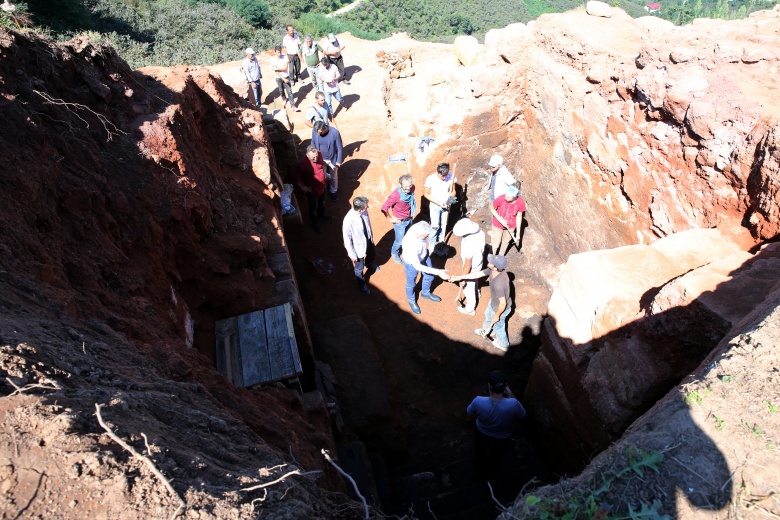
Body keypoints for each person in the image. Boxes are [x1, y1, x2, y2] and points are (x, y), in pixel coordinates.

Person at [466, 371, 526, 482]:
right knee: (497, 455)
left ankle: (480, 471)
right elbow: (522, 415)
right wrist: (510, 392)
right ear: (505, 387)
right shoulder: (513, 404)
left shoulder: (478, 401)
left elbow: (470, 412)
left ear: (489, 386)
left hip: (482, 431)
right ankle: (493, 472)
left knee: (480, 452)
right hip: (503, 436)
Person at [454, 254, 512, 350]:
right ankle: (488, 331)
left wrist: (497, 315)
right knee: (488, 315)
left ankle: (504, 344)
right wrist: (460, 277)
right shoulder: (493, 271)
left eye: (491, 262)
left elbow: (503, 303)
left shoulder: (499, 283)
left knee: (499, 326)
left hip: (500, 308)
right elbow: (478, 274)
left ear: (495, 267)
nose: (488, 261)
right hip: (494, 302)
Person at [401, 221, 449, 315]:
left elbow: (425, 225)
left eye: (428, 235)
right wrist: (438, 272)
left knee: (429, 276)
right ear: (417, 235)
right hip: (412, 263)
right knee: (411, 283)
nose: (428, 238)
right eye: (426, 236)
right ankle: (411, 301)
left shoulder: (420, 226)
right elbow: (417, 266)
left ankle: (425, 293)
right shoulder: (412, 246)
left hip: (423, 254)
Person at [343, 196, 380, 295]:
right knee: (359, 268)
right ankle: (362, 284)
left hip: (368, 240)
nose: (367, 208)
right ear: (360, 209)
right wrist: (352, 255)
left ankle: (369, 264)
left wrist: (371, 236)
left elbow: (368, 224)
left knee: (372, 254)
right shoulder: (348, 220)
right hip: (358, 247)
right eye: (366, 207)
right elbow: (347, 240)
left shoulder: (363, 211)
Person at [293, 145, 332, 232]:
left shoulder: (319, 154)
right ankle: (314, 223)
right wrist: (302, 187)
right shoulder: (302, 164)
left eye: (316, 156)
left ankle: (322, 215)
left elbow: (322, 165)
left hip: (322, 185)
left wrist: (324, 174)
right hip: (312, 189)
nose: (316, 159)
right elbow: (296, 176)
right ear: (307, 155)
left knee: (322, 202)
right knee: (313, 206)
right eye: (313, 158)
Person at [453, 218, 486, 316]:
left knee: (468, 287)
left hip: (471, 267)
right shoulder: (480, 232)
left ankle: (470, 309)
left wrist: (463, 277)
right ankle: (477, 292)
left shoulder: (469, 243)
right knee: (474, 280)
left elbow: (468, 264)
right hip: (479, 262)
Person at [381, 174, 416, 264]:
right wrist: (391, 219)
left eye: (410, 185)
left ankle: (406, 251)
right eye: (405, 187)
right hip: (400, 222)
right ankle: (394, 253)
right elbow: (384, 208)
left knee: (408, 236)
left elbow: (411, 191)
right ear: (400, 185)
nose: (408, 189)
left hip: (409, 218)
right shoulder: (395, 195)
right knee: (399, 240)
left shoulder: (412, 188)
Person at [423, 162, 457, 249]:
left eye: (446, 175)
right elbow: (426, 194)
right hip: (435, 205)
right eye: (442, 176)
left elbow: (453, 191)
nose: (445, 177)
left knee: (444, 224)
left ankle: (441, 240)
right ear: (438, 172)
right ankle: (432, 242)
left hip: (446, 205)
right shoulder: (430, 179)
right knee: (435, 225)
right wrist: (438, 203)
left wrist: (449, 201)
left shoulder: (451, 176)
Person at [489, 185, 525, 255]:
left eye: (508, 197)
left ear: (514, 197)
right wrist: (500, 220)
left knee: (505, 242)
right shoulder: (501, 199)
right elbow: (491, 208)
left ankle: (500, 257)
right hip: (497, 224)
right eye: (506, 195)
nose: (505, 198)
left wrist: (517, 233)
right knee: (495, 243)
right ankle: (492, 258)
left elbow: (519, 217)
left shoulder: (521, 203)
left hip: (511, 225)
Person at [311, 121, 343, 201]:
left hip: (332, 159)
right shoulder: (315, 131)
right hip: (320, 159)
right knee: (322, 175)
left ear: (324, 128)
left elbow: (339, 147)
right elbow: (313, 142)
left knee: (334, 177)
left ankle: (333, 191)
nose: (318, 134)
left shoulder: (335, 132)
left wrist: (338, 161)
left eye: (320, 132)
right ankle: (323, 189)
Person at [272, 46, 299, 111]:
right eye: (278, 52)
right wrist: (283, 78)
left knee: (289, 91)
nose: (279, 54)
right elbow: (276, 72)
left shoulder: (284, 57)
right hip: (279, 78)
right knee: (281, 90)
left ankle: (293, 106)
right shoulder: (273, 60)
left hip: (286, 77)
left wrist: (278, 68)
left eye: (280, 52)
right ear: (275, 52)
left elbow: (286, 68)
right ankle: (284, 98)